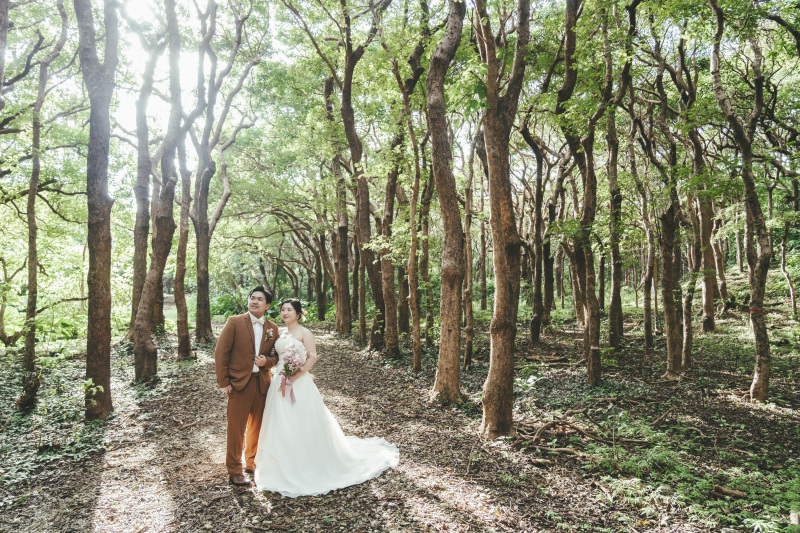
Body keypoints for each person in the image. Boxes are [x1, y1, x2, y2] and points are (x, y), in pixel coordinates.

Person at [253, 298, 399, 497]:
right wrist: (270, 362)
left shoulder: (305, 332)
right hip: (279, 380)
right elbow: (277, 356)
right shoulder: (280, 333)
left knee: (302, 420)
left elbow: (312, 356)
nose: (285, 313)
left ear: (298, 313)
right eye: (282, 310)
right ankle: (280, 463)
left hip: (299, 382)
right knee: (280, 420)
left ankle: (309, 462)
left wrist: (295, 374)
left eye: (289, 310)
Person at [214, 286, 280, 486]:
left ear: (267, 305)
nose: (255, 301)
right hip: (238, 384)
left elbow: (276, 356)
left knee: (257, 427)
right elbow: (221, 352)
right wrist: (224, 382)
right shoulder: (234, 322)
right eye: (252, 298)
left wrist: (266, 363)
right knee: (236, 428)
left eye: (260, 299)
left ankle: (251, 462)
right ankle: (234, 470)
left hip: (262, 384)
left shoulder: (272, 328)